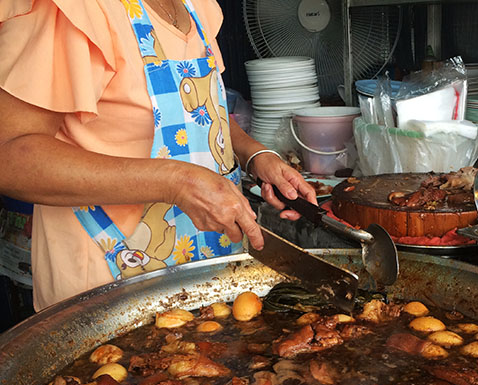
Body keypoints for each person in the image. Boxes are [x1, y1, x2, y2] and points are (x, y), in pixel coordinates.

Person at [0, 0, 317, 311]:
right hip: (107, 288)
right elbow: (11, 157)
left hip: (207, 271)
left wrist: (254, 154)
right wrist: (179, 183)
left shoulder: (196, 6)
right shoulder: (76, 9)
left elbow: (201, 108)